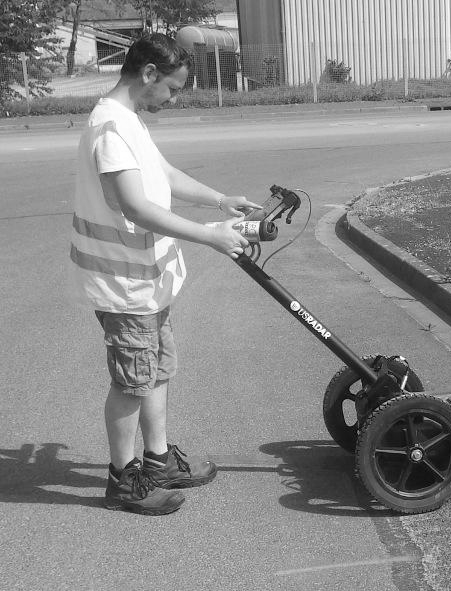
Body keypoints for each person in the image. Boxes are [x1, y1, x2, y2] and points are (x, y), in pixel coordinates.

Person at [69, 33, 261, 515]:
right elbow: (135, 206)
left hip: (147, 281)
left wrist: (220, 199)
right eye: (171, 89)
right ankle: (123, 479)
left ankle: (158, 461)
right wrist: (209, 234)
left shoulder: (129, 120)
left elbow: (164, 174)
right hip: (125, 284)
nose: (172, 99)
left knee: (155, 372)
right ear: (149, 74)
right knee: (132, 382)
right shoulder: (110, 127)